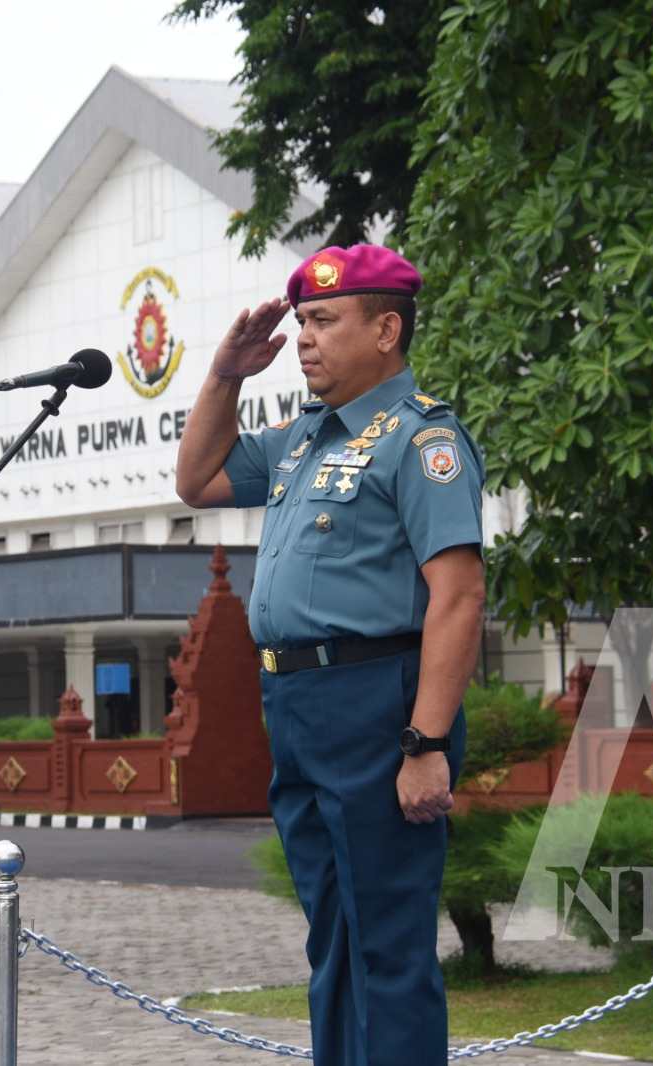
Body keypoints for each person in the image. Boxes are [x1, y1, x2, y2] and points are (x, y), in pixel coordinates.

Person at [175, 244, 487, 1066]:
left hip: (380, 705)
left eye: (324, 321)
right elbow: (196, 480)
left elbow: (458, 598)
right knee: (334, 937)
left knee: (387, 942)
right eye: (303, 321)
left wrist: (423, 744)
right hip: (299, 708)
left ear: (386, 329)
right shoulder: (300, 439)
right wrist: (225, 375)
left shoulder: (421, 441)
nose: (306, 338)